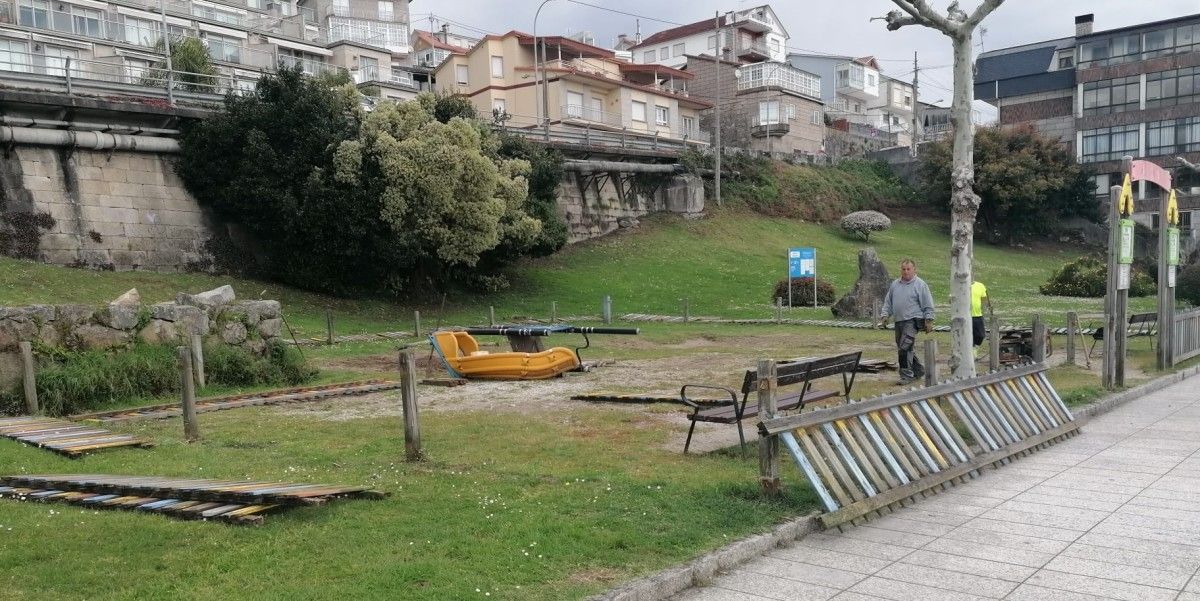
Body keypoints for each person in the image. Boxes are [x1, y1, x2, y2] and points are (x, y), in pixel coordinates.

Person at [879, 259, 935, 384]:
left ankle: (906, 376)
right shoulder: (895, 284)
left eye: (908, 269)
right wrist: (885, 315)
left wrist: (929, 320)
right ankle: (918, 370)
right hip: (899, 321)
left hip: (913, 321)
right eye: (903, 269)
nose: (906, 272)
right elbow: (888, 302)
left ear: (914, 270)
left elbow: (928, 304)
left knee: (904, 347)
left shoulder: (920, 285)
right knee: (905, 348)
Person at [971, 280, 992, 360]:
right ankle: (972, 353)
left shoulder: (980, 286)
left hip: (977, 315)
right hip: (965, 316)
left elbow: (984, 299)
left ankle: (974, 348)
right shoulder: (960, 284)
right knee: (968, 335)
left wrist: (988, 309)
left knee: (980, 335)